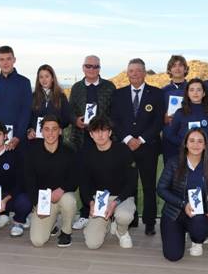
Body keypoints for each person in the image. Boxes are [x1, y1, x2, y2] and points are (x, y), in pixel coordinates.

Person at [110, 58, 164, 235]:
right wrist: (127, 138)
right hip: (125, 148)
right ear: (127, 73)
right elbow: (114, 120)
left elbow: (158, 122)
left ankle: (149, 222)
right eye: (131, 71)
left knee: (149, 186)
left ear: (144, 72)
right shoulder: (118, 94)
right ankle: (130, 219)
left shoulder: (156, 93)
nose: (135, 74)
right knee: (128, 184)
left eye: (138, 70)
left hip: (148, 147)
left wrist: (140, 139)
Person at [69, 55, 116, 230]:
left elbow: (114, 112)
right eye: (88, 66)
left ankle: (104, 213)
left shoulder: (109, 87)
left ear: (99, 68)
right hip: (81, 140)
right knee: (85, 177)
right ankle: (85, 212)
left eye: (95, 67)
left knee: (103, 175)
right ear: (83, 67)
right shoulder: (76, 88)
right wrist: (76, 120)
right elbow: (70, 110)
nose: (91, 69)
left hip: (102, 140)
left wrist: (103, 126)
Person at [81, 116, 138, 249]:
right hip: (100, 199)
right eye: (96, 131)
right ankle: (104, 224)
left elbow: (132, 182)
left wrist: (115, 202)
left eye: (104, 130)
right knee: (92, 244)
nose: (100, 135)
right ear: (91, 134)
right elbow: (84, 183)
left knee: (123, 216)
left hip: (122, 197)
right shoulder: (86, 154)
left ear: (110, 133)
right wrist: (90, 202)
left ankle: (121, 231)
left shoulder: (123, 150)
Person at [158, 128, 208, 261]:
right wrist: (183, 204)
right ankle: (180, 232)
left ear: (205, 145)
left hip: (198, 213)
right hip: (174, 211)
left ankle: (196, 239)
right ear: (186, 144)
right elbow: (161, 189)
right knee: (173, 256)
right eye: (192, 141)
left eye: (200, 141)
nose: (195, 145)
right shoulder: (173, 162)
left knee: (199, 231)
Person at [25, 115, 78, 247]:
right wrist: (36, 203)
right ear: (41, 131)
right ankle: (52, 224)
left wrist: (62, 189)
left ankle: (66, 231)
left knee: (69, 201)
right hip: (43, 201)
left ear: (60, 131)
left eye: (54, 129)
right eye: (47, 129)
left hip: (62, 196)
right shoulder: (32, 153)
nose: (50, 133)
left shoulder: (69, 151)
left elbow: (75, 178)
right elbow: (29, 181)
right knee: (37, 241)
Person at [0, 45, 33, 152]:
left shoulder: (24, 82)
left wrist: (18, 136)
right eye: (2, 59)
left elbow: (26, 111)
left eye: (8, 59)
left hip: (18, 139)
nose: (5, 63)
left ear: (14, 60)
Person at [165, 78, 208, 160]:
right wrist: (187, 145)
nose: (195, 93)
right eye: (192, 90)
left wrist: (203, 147)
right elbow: (171, 135)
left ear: (204, 93)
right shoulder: (180, 112)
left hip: (205, 157)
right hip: (184, 156)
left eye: (198, 90)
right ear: (187, 93)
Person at [26, 64, 72, 140]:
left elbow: (66, 118)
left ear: (52, 78)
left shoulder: (61, 97)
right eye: (41, 77)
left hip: (55, 138)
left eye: (47, 76)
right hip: (36, 139)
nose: (44, 80)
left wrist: (60, 128)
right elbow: (28, 117)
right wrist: (29, 130)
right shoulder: (32, 97)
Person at [160, 55, 189, 163]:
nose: (177, 68)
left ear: (185, 69)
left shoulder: (193, 88)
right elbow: (158, 115)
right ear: (169, 70)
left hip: (188, 135)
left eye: (180, 65)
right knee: (170, 170)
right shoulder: (163, 91)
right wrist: (163, 118)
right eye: (174, 66)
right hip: (169, 136)